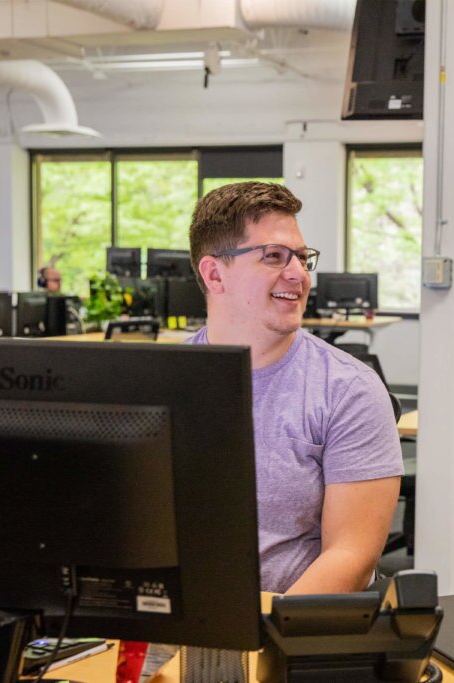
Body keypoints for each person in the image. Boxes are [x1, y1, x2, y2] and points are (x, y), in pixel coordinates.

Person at [185, 181, 402, 595]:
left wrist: (258, 637)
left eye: (302, 258)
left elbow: (352, 558)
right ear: (214, 274)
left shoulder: (349, 389)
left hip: (286, 639)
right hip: (163, 638)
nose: (298, 274)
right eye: (273, 257)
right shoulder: (166, 380)